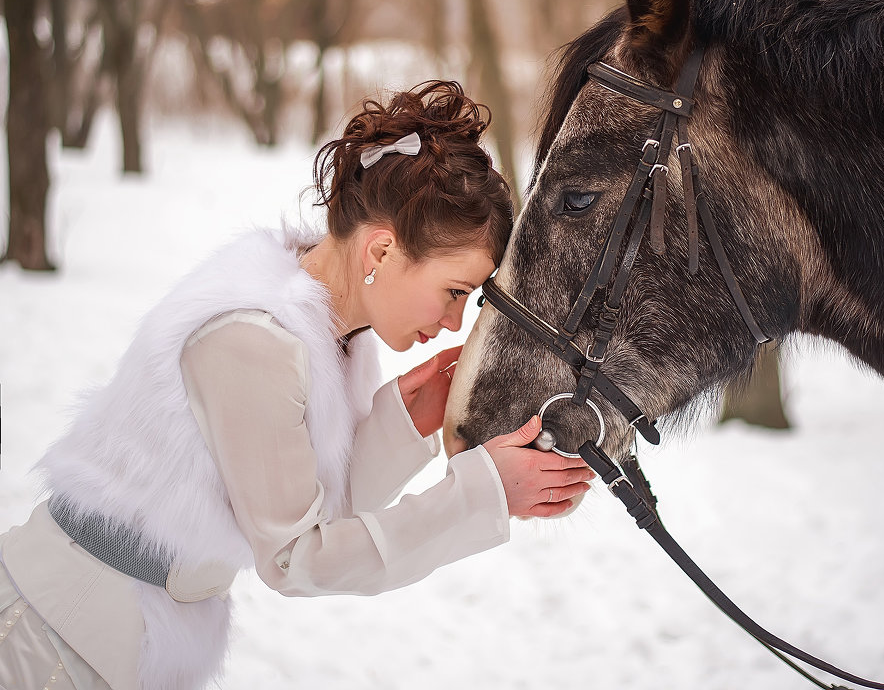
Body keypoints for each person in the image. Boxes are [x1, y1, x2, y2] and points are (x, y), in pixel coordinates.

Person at [0, 81, 593, 690]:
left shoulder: (333, 327)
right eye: (455, 292)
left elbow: (319, 510)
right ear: (382, 250)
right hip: (56, 639)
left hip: (131, 643)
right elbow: (295, 556)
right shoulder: (253, 338)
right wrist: (482, 493)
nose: (454, 322)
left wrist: (408, 415)